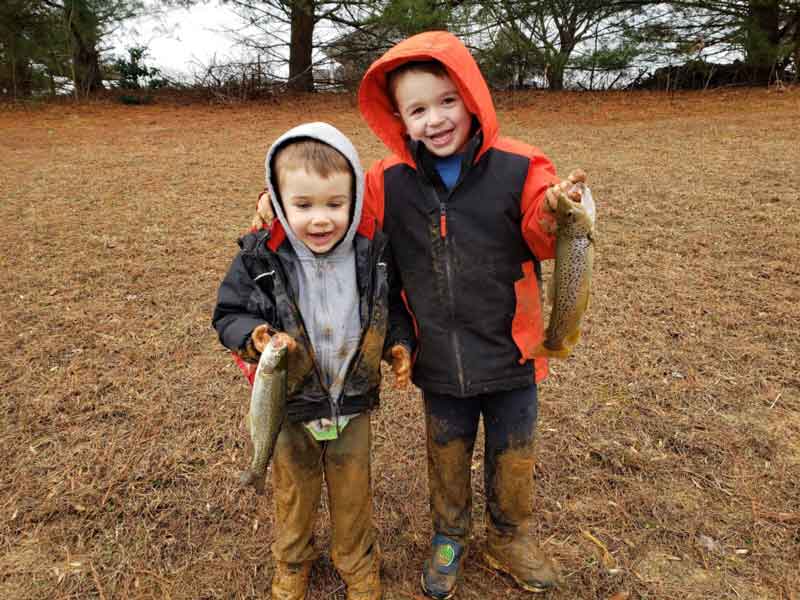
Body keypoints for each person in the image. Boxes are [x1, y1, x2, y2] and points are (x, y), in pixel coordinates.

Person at [254, 33, 586, 598]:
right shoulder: (386, 181)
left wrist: (558, 209)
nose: (435, 119)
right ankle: (450, 534)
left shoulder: (520, 165)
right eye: (418, 109)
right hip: (438, 356)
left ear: (473, 97)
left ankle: (510, 535)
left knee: (514, 452)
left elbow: (543, 227)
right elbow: (342, 223)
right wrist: (279, 215)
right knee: (447, 450)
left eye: (447, 101)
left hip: (512, 349)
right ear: (399, 119)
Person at [213, 122, 414, 600]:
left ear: (356, 199)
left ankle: (358, 562)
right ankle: (292, 561)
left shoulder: (374, 256)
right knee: (294, 494)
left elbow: (393, 308)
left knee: (353, 495)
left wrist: (399, 346)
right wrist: (252, 335)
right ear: (279, 201)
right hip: (290, 408)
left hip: (353, 403)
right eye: (303, 206)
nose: (320, 219)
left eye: (334, 204)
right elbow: (229, 314)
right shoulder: (258, 257)